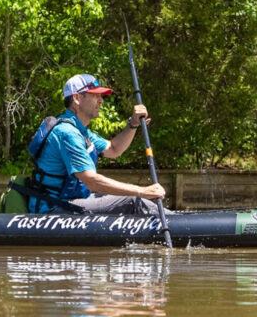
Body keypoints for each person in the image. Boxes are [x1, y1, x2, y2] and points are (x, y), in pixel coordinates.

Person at [28, 73, 167, 215]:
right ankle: (183, 229)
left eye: (101, 96)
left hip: (71, 201)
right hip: (53, 209)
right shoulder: (67, 133)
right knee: (133, 201)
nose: (101, 100)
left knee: (127, 199)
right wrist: (141, 191)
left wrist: (133, 125)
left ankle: (180, 220)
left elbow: (114, 149)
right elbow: (91, 181)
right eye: (95, 95)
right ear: (76, 98)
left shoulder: (81, 131)